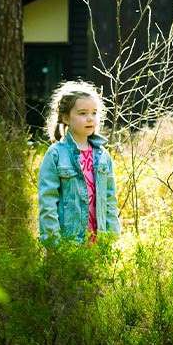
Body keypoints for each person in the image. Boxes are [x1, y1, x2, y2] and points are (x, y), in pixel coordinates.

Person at [38, 80, 120, 244]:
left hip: (99, 242)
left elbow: (110, 199)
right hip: (68, 242)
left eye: (94, 113)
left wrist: (111, 238)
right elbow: (48, 202)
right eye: (82, 113)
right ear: (66, 118)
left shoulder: (103, 156)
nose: (90, 118)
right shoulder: (56, 154)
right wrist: (54, 243)